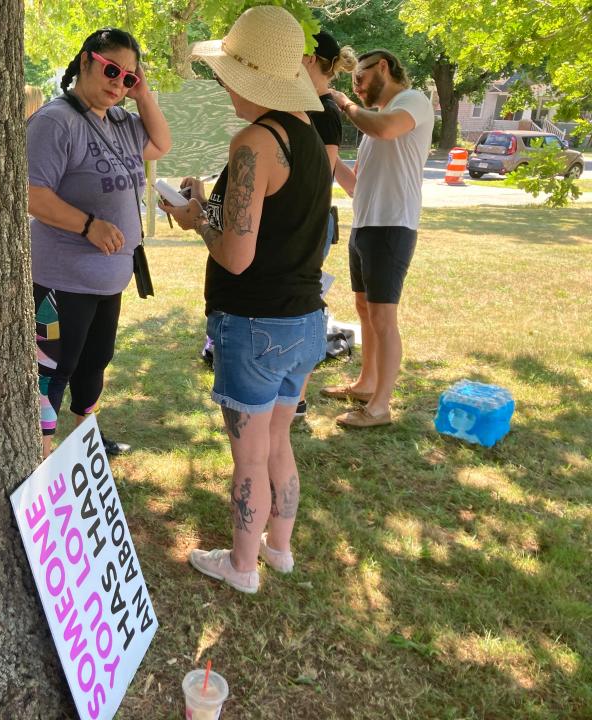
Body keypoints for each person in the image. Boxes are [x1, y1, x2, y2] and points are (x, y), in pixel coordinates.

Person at [161, 6, 331, 593]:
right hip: (306, 322)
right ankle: (277, 550)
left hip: (255, 324)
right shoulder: (308, 135)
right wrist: (207, 206)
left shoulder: (253, 141)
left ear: (244, 76)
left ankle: (241, 566)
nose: (222, 82)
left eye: (227, 72)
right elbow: (269, 226)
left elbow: (235, 254)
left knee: (250, 458)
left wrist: (193, 221)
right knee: (280, 442)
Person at [27, 28, 171, 458]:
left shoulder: (124, 121)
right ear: (85, 61)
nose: (118, 83)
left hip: (110, 279)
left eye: (129, 77)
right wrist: (89, 226)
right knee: (53, 368)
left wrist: (144, 98)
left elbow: (161, 144)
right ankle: (42, 452)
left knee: (95, 362)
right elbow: (33, 194)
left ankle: (88, 439)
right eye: (112, 69)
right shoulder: (56, 120)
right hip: (62, 278)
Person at [324, 50, 434, 428]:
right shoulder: (376, 127)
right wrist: (329, 155)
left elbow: (384, 128)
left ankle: (380, 407)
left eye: (360, 78)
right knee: (364, 309)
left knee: (384, 317)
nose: (355, 86)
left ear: (383, 66)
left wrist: (345, 105)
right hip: (366, 226)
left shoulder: (412, 102)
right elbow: (356, 186)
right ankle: (366, 385)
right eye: (352, 83)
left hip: (392, 226)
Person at [292, 30, 357, 421]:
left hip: (309, 225)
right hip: (300, 223)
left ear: (312, 60)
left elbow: (323, 172)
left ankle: (296, 397)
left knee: (304, 306)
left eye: (297, 54)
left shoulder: (323, 108)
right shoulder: (307, 102)